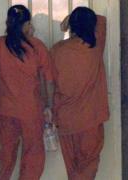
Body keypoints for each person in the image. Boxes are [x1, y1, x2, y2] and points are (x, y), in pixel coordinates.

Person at [0, 5, 54, 180]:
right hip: (31, 110)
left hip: (4, 109)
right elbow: (48, 80)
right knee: (33, 158)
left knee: (3, 158)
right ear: (27, 24)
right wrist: (49, 106)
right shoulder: (37, 47)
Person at [50, 7, 109, 180]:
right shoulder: (95, 46)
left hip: (66, 120)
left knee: (73, 169)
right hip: (90, 120)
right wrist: (71, 19)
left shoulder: (57, 50)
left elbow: (49, 82)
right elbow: (101, 20)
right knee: (87, 168)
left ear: (72, 27)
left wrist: (70, 22)